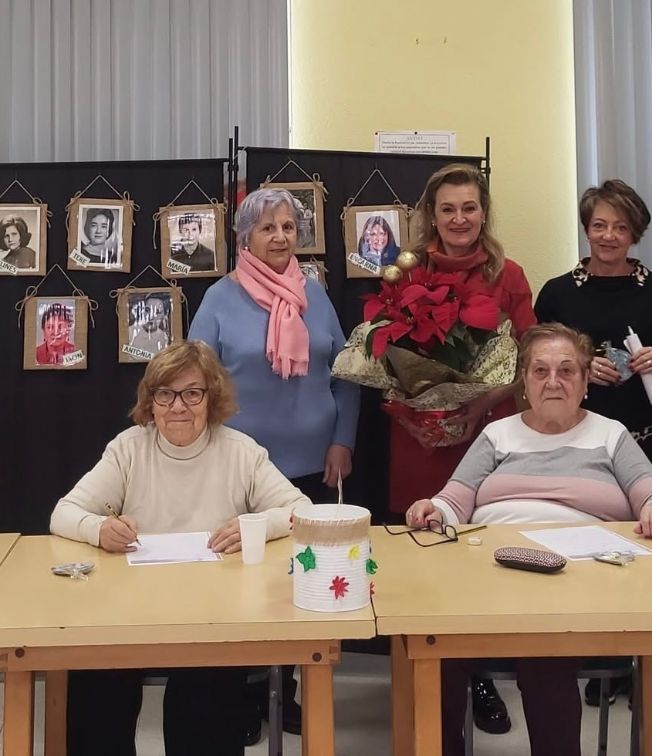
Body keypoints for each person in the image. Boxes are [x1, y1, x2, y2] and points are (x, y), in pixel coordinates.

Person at [407, 322, 652, 756]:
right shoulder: (498, 435)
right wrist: (434, 510)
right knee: (433, 648)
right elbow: (453, 501)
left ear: (586, 381)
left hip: (577, 583)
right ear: (525, 380)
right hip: (491, 573)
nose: (553, 381)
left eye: (566, 370)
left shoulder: (609, 434)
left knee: (546, 653)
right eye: (540, 371)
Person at [50, 340, 311, 756]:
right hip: (130, 615)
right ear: (150, 401)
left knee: (207, 693)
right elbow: (63, 513)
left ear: (211, 397)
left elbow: (303, 511)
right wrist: (99, 529)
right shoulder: (129, 448)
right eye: (165, 394)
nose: (178, 407)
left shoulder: (241, 451)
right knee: (95, 680)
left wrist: (256, 525)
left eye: (192, 393)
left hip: (212, 617)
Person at [189, 187, 360, 741]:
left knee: (297, 580)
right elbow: (195, 380)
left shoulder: (315, 294)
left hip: (313, 464)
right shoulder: (220, 297)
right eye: (268, 228)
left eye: (288, 227)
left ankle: (285, 691)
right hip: (238, 468)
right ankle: (240, 696)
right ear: (245, 237)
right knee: (242, 583)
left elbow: (346, 374)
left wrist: (343, 440)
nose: (281, 237)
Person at [535, 179, 652, 702]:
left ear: (635, 233)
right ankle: (602, 663)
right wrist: (582, 368)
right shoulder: (558, 293)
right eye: (599, 225)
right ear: (586, 229)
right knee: (593, 546)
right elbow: (537, 363)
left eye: (620, 227)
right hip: (583, 446)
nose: (608, 236)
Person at [391, 163, 536, 734]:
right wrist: (413, 411)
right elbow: (385, 351)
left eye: (469, 208)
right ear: (432, 214)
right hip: (420, 438)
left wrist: (480, 404)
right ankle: (421, 678)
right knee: (424, 556)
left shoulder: (509, 274)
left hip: (488, 433)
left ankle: (477, 676)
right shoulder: (406, 270)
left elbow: (528, 356)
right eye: (447, 209)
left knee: (478, 557)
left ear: (484, 213)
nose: (459, 219)